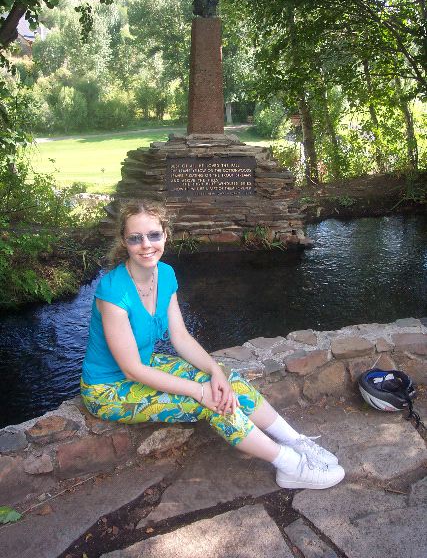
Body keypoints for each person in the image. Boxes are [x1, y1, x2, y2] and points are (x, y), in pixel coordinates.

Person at [81, 200, 345, 490]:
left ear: (165, 235)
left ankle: (297, 442)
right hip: (108, 389)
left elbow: (180, 337)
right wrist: (200, 391)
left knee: (227, 381)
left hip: (146, 365)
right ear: (124, 241)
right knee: (212, 403)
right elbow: (130, 370)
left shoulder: (165, 274)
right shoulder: (113, 290)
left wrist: (215, 372)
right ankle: (290, 466)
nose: (146, 245)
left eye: (153, 235)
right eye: (135, 238)